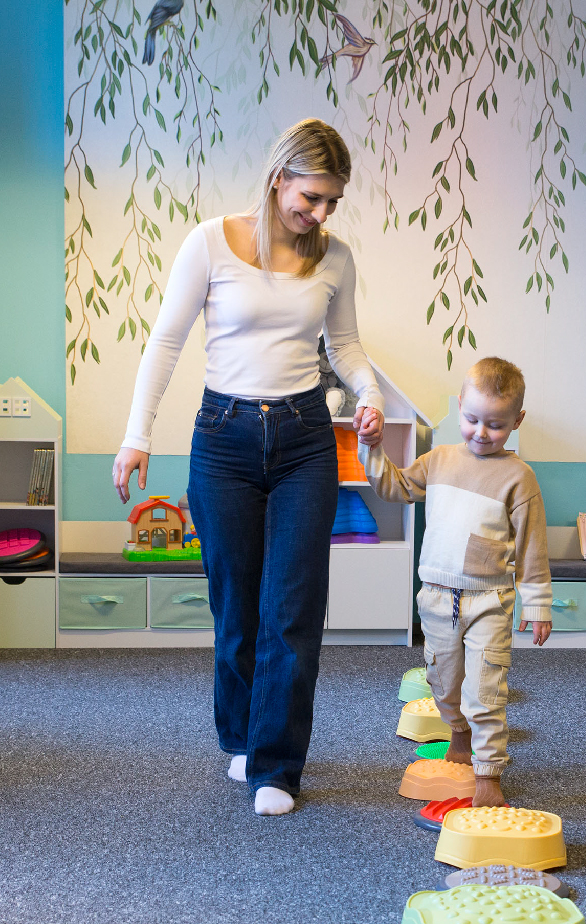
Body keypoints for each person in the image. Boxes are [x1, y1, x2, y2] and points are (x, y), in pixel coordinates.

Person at [112, 118, 385, 816]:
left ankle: (276, 767)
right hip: (223, 439)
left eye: (331, 202)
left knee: (293, 607)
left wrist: (370, 394)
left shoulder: (336, 258)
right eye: (311, 197)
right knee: (235, 606)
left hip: (305, 439)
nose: (320, 214)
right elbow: (165, 342)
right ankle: (240, 737)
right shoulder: (208, 242)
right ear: (278, 178)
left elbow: (345, 346)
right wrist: (137, 435)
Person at [357, 357, 551, 807]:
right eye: (472, 419)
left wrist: (538, 604)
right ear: (460, 405)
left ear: (517, 420)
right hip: (437, 597)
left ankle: (488, 776)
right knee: (444, 683)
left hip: (490, 600)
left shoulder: (519, 478)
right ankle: (458, 734)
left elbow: (532, 547)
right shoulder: (439, 460)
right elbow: (394, 487)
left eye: (496, 425)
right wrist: (372, 448)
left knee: (485, 690)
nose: (481, 432)